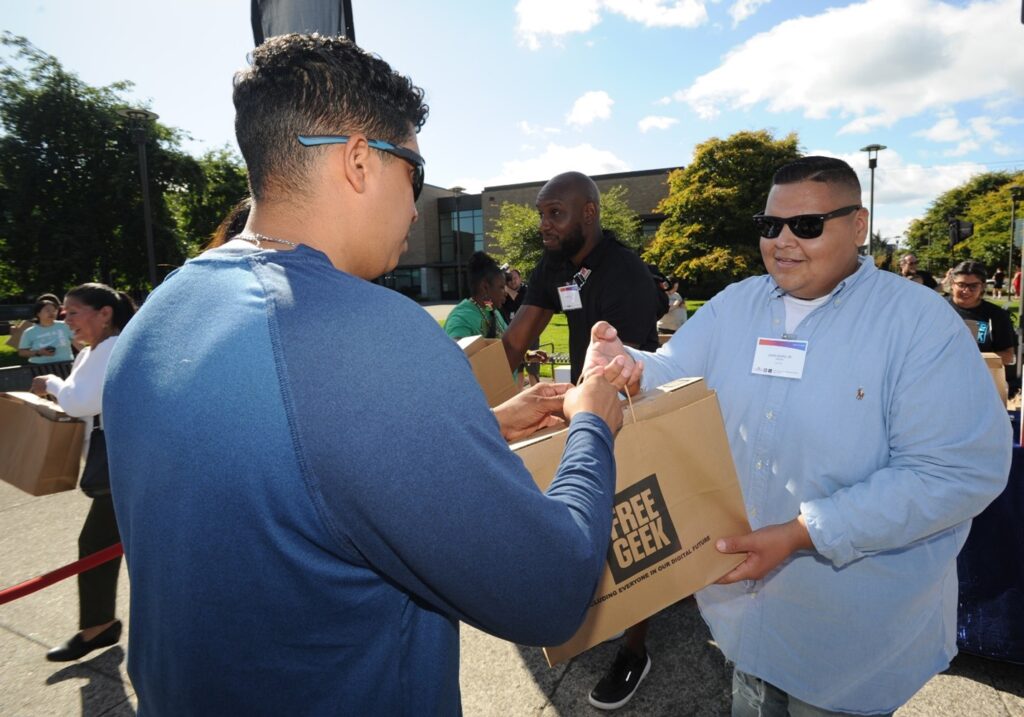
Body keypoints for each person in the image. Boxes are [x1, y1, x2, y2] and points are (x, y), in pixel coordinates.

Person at [103, 34, 631, 715]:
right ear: (357, 160)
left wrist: (483, 427)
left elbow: (292, 469)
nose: (416, 205)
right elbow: (551, 588)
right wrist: (594, 421)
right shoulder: (372, 335)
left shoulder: (160, 313)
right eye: (413, 170)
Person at [583, 156, 1010, 716]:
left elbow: (958, 471)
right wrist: (628, 364)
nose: (782, 242)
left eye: (806, 226)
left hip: (848, 639)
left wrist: (803, 533)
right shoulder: (737, 304)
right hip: (741, 619)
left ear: (858, 226)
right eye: (770, 226)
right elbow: (673, 368)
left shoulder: (919, 324)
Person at [29, 283, 136, 662]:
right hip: (124, 465)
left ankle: (98, 627)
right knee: (112, 546)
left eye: (74, 311)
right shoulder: (96, 350)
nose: (65, 318)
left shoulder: (109, 349)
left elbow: (79, 401)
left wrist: (50, 383)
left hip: (127, 467)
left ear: (104, 313)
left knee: (95, 545)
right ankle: (102, 625)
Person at [502, 171, 661, 385]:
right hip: (586, 397)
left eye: (555, 212)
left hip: (632, 406)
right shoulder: (554, 264)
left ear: (588, 213)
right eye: (542, 214)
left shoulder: (626, 273)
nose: (543, 225)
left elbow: (615, 376)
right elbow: (513, 344)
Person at [946, 261, 1016, 374]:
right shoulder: (937, 310)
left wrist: (970, 359)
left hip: (981, 378)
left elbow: (1008, 356)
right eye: (961, 285)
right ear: (952, 284)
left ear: (983, 286)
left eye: (973, 286)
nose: (966, 290)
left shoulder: (996, 315)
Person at [444, 251, 508, 340]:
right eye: (501, 287)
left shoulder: (491, 309)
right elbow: (455, 351)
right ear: (485, 287)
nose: (505, 292)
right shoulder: (461, 320)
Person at [500, 268, 542, 386]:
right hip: (512, 336)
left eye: (515, 278)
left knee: (533, 370)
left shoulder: (526, 290)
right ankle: (519, 397)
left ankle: (536, 395)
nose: (512, 281)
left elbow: (517, 299)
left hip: (530, 335)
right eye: (509, 279)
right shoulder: (504, 294)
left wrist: (507, 289)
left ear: (520, 278)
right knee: (517, 370)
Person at [17, 296, 75, 377]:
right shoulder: (29, 332)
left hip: (65, 365)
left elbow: (77, 342)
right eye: (47, 310)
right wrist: (39, 352)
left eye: (54, 310)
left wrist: (89, 355)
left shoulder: (65, 326)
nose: (52, 313)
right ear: (38, 313)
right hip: (40, 368)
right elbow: (22, 352)